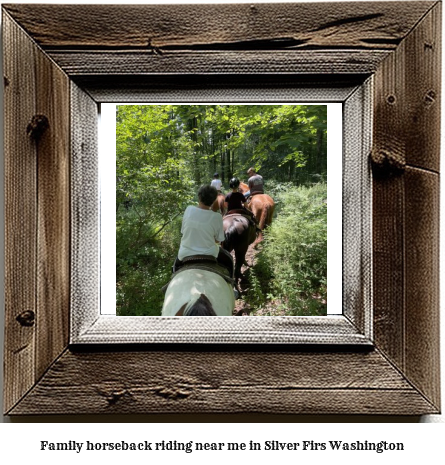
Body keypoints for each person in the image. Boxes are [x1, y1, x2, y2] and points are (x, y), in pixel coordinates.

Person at [178, 184, 225, 261]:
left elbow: (183, 231)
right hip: (209, 254)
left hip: (185, 254)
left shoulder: (189, 209)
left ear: (199, 197)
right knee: (229, 262)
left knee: (175, 268)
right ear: (213, 200)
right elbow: (218, 240)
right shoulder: (217, 216)